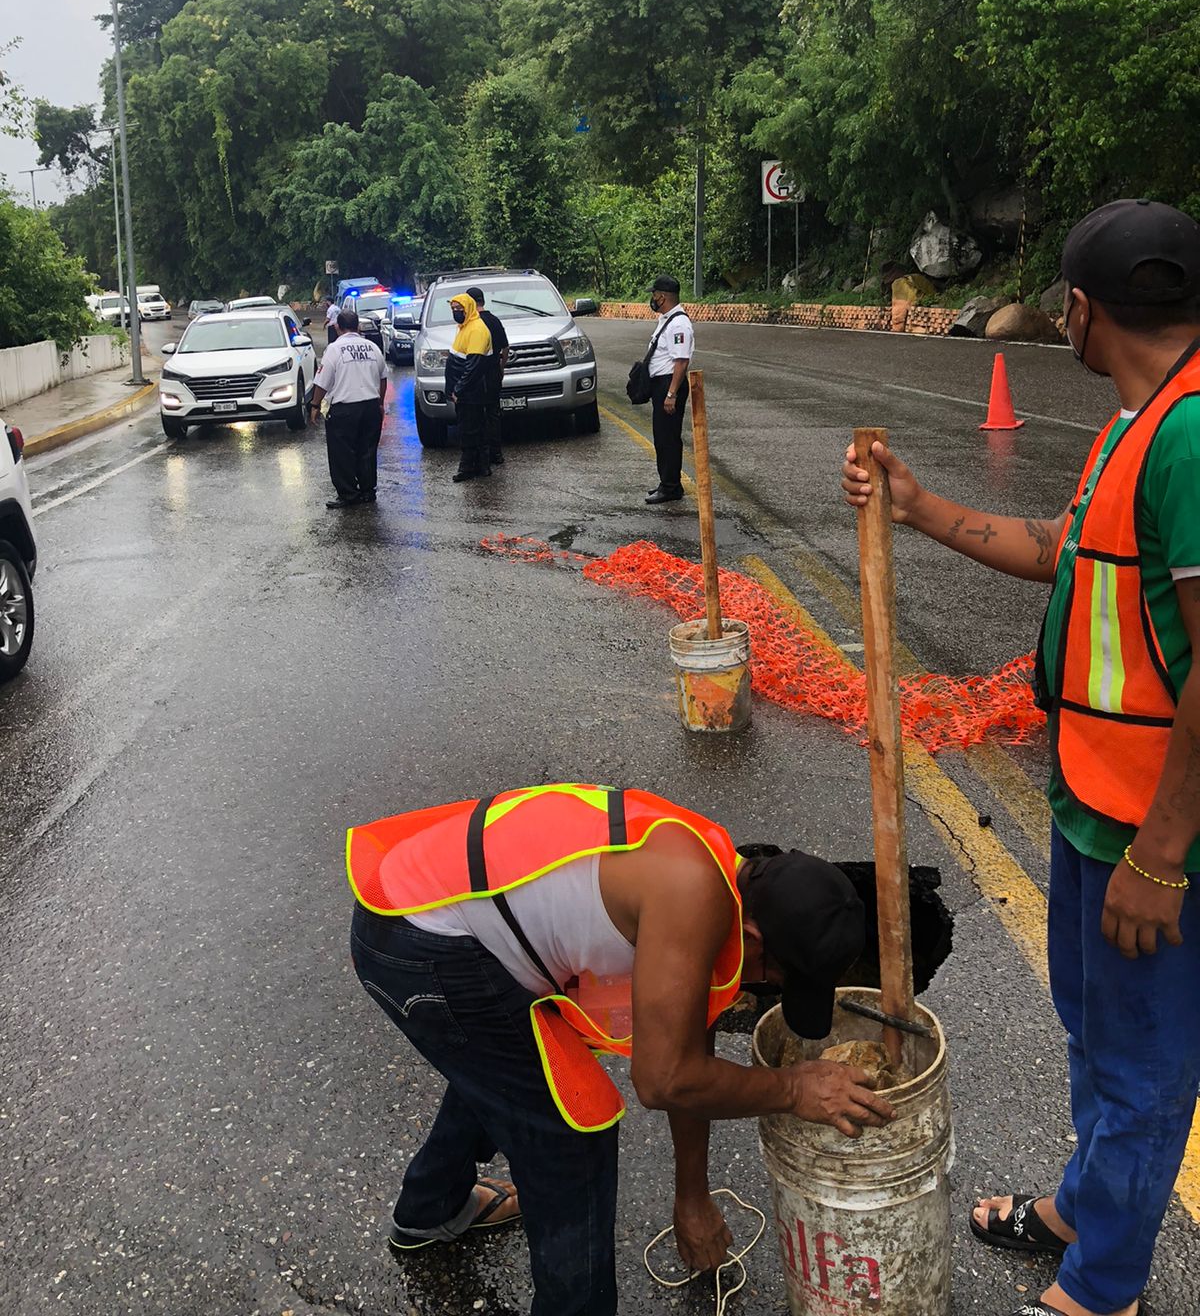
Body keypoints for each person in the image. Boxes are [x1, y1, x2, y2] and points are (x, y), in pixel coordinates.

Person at [842, 199, 1200, 1316]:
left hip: (1156, 832)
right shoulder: (1140, 420)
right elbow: (1059, 549)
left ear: (1082, 312)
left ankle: (1102, 1290)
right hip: (1097, 802)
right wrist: (917, 505)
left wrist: (1163, 852)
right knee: (1097, 1041)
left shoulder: (1192, 433)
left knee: (1141, 1072)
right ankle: (1086, 1211)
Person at [347, 783, 894, 1316]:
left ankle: (430, 1208)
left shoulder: (715, 869)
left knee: (509, 1071)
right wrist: (795, 1089)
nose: (764, 989)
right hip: (419, 944)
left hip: (419, 912)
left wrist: (692, 1197)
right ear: (753, 936)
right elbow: (664, 1080)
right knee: (570, 1131)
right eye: (776, 979)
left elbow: (688, 1045)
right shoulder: (691, 896)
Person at [310, 308, 388, 508]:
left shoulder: (334, 349)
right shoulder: (372, 347)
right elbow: (383, 378)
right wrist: (379, 403)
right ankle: (367, 491)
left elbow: (322, 381)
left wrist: (315, 405)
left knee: (342, 453)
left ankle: (348, 494)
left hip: (345, 409)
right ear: (358, 326)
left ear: (337, 327)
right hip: (370, 407)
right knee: (367, 450)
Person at [645, 275, 695, 505]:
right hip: (662, 384)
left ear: (662, 296)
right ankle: (667, 481)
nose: (652, 299)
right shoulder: (667, 319)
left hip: (669, 384)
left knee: (668, 438)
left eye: (654, 295)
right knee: (662, 437)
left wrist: (671, 394)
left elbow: (681, 362)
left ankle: (671, 488)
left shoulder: (679, 324)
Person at [445, 292, 492, 483]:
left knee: (469, 430)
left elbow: (473, 366)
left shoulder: (477, 330)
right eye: (453, 309)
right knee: (474, 428)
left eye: (459, 309)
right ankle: (481, 466)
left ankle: (468, 468)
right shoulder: (465, 327)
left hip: (471, 392)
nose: (456, 313)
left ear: (469, 309)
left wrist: (459, 390)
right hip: (466, 391)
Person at [466, 284, 510, 468]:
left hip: (475, 375)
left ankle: (480, 457)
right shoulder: (494, 320)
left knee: (476, 416)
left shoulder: (470, 324)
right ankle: (496, 453)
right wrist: (501, 367)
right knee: (493, 414)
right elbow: (505, 347)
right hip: (493, 372)